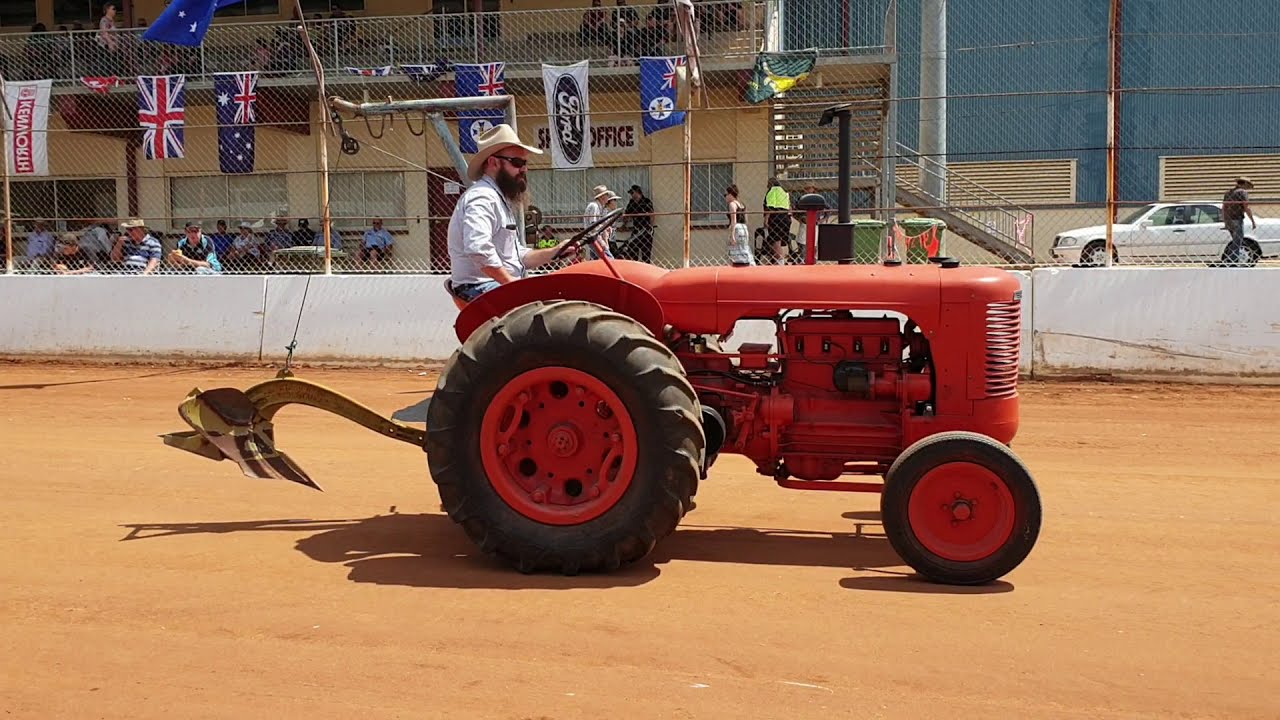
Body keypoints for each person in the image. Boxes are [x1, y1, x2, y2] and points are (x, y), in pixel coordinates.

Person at [446, 124, 572, 303]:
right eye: (517, 163)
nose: (524, 169)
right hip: (479, 287)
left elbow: (517, 256)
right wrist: (511, 284)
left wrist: (555, 251)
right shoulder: (482, 198)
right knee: (554, 306)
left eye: (525, 163)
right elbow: (478, 248)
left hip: (492, 285)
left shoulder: (498, 199)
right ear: (493, 162)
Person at [725, 184, 754, 266]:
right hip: (744, 228)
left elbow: (733, 220)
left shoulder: (732, 204)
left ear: (730, 194)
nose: (725, 197)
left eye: (726, 195)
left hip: (736, 227)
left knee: (734, 251)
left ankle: (736, 267)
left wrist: (732, 234)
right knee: (744, 249)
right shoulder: (741, 204)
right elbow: (746, 219)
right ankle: (749, 264)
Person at [1223, 176, 1256, 247]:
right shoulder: (1242, 192)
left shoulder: (1228, 193)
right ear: (1245, 184)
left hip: (1229, 219)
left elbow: (1224, 208)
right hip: (1237, 218)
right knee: (1238, 242)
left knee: (1235, 241)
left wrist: (1225, 220)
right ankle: (1234, 258)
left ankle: (1232, 256)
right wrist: (1252, 221)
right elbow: (1246, 207)